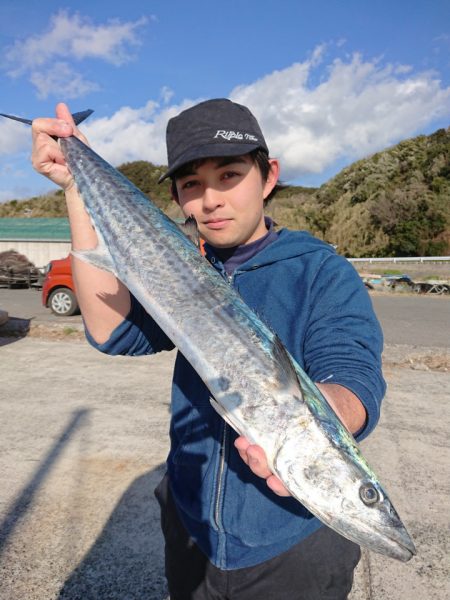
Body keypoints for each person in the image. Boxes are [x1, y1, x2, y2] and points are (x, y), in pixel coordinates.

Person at [31, 99, 386, 599]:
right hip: (191, 526)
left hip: (290, 542)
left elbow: (354, 375)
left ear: (268, 177)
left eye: (229, 175)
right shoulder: (178, 266)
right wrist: (74, 184)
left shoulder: (321, 271)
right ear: (178, 196)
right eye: (192, 184)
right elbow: (112, 330)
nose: (211, 200)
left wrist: (317, 422)